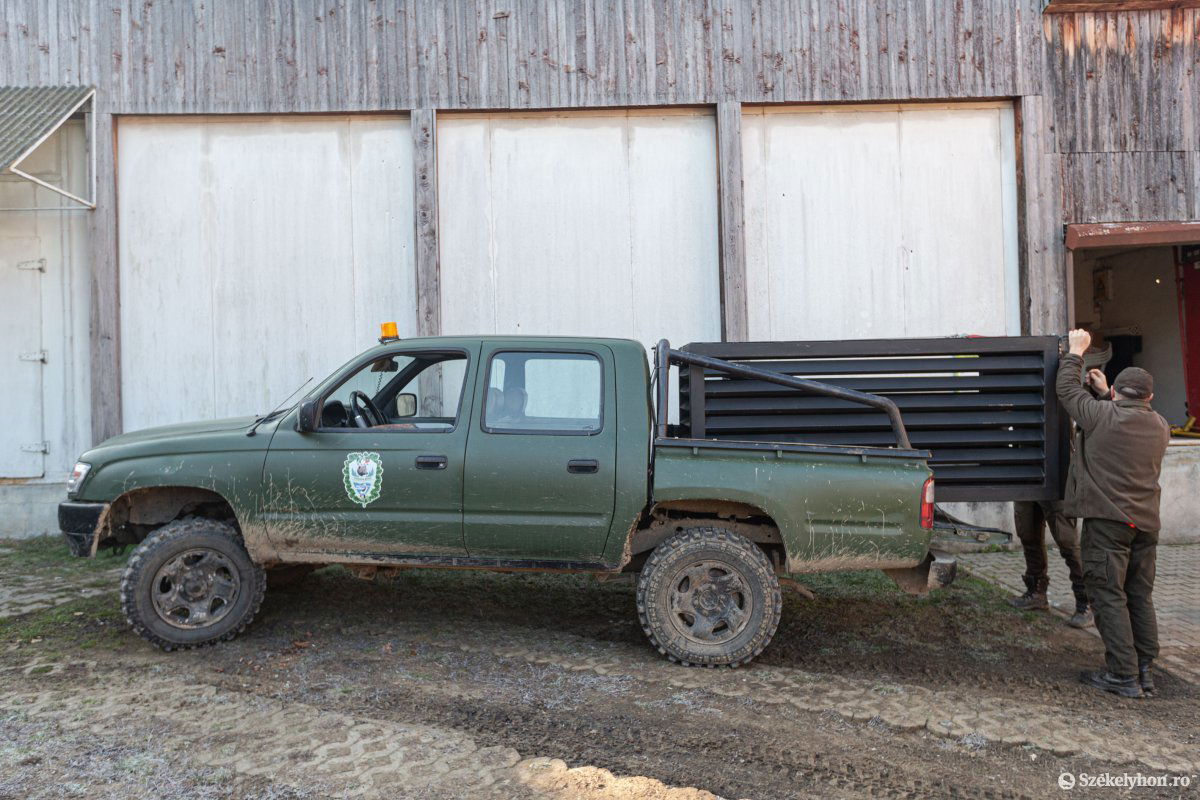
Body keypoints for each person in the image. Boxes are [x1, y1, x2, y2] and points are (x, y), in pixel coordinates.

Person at [1057, 329, 1171, 698]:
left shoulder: (1101, 417)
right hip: (1146, 525)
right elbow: (1125, 412)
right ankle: (1143, 669)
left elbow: (1068, 393)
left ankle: (1122, 675)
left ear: (1119, 394)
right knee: (1139, 596)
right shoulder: (1160, 427)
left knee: (1107, 595)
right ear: (1150, 398)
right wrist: (1107, 391)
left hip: (1108, 525)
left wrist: (1076, 353)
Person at [1007, 500, 1092, 629]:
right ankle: (1036, 593)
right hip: (1025, 485)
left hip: (1054, 489)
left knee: (1068, 544)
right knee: (1028, 536)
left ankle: (1086, 603)